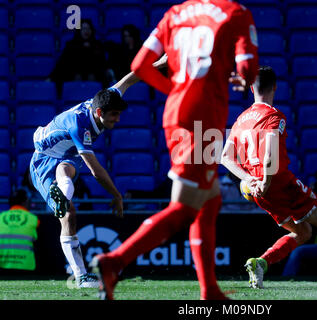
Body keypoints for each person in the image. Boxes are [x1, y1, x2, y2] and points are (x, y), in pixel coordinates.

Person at [90, 0, 259, 300]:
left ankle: (209, 290)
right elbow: (248, 67)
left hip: (176, 111)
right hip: (203, 117)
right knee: (184, 209)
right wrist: (241, 78)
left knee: (209, 201)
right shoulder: (236, 13)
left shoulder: (175, 14)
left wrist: (177, 89)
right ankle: (114, 262)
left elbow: (139, 65)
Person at [221, 66, 317, 289]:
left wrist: (248, 179)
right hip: (278, 183)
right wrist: (266, 181)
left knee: (303, 232)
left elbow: (225, 157)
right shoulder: (273, 116)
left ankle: (260, 263)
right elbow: (269, 155)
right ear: (275, 87)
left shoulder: (241, 119)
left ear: (250, 88)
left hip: (257, 189)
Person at [29, 71, 140, 288]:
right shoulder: (80, 125)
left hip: (66, 155)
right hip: (43, 160)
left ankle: (62, 192)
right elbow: (95, 170)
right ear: (99, 112)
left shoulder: (105, 98)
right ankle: (81, 277)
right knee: (69, 213)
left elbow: (129, 79)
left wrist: (159, 63)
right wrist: (117, 195)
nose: (117, 119)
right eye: (114, 115)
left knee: (67, 170)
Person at [49, 19, 108, 96]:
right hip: (74, 75)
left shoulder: (98, 45)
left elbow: (101, 64)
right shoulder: (71, 45)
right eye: (83, 29)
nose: (86, 31)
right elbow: (63, 63)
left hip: (94, 75)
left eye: (88, 28)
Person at [0, 189, 39, 271]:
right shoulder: (34, 219)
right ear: (25, 202)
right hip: (26, 266)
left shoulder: (1, 217)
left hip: (2, 267)